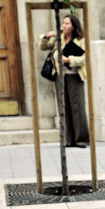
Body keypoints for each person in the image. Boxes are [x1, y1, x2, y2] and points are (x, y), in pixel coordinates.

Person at [40, 15, 89, 148]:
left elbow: (85, 58)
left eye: (67, 23)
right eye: (63, 23)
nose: (64, 26)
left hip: (75, 76)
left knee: (77, 107)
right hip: (60, 77)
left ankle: (81, 139)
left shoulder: (80, 40)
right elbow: (43, 47)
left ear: (73, 26)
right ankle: (68, 140)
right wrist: (46, 36)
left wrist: (69, 60)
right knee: (64, 108)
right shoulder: (58, 39)